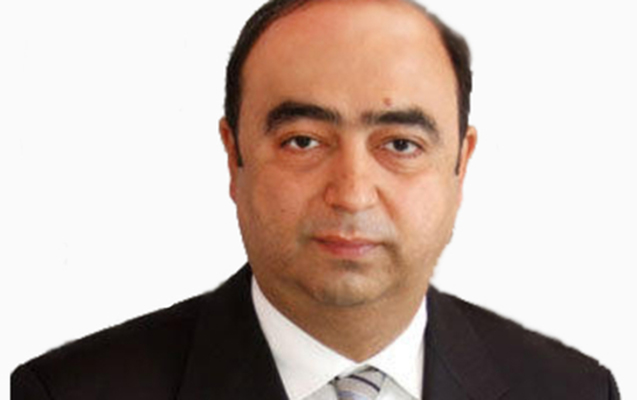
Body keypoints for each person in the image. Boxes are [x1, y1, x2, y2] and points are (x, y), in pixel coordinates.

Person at [11, 0, 620, 399]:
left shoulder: (572, 392)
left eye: (400, 144)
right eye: (303, 141)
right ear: (234, 155)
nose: (351, 194)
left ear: (461, 165)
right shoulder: (70, 394)